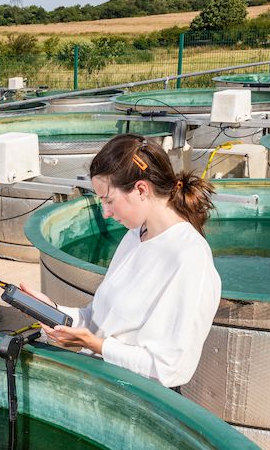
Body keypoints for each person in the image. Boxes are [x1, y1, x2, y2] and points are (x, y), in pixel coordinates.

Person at [20, 133, 221, 389]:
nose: (105, 212)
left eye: (108, 200)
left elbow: (171, 369)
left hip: (143, 404)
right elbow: (99, 319)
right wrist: (56, 312)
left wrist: (94, 345)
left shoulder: (189, 257)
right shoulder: (135, 236)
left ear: (140, 189)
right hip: (106, 386)